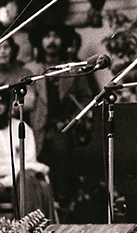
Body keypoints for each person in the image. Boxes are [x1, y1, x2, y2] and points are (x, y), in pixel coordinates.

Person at [24, 23, 95, 213]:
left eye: (56, 36)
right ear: (39, 40)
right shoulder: (30, 69)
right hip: (36, 129)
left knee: (62, 164)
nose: (52, 41)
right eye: (47, 36)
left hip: (65, 130)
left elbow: (86, 98)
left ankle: (63, 207)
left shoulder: (74, 69)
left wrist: (73, 119)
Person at [0, 90, 55, 224]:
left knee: (31, 180)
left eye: (2, 100)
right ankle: (36, 230)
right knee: (33, 180)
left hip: (24, 178)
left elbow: (29, 158)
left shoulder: (21, 127)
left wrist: (16, 174)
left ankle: (29, 230)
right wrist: (14, 174)